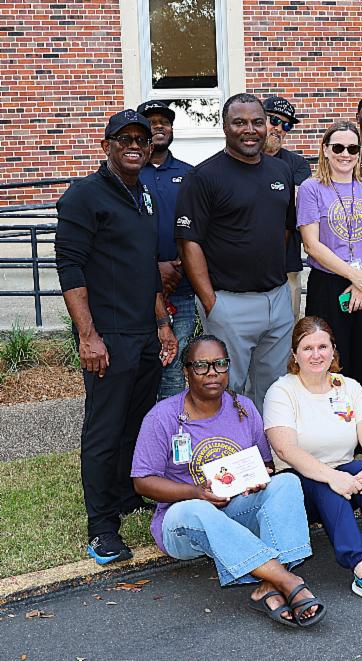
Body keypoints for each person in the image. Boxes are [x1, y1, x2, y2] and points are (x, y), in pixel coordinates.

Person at [130, 335, 325, 628]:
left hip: (235, 511)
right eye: (202, 366)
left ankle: (268, 586)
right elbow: (142, 481)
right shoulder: (163, 417)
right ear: (186, 371)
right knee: (198, 508)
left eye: (220, 364)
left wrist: (257, 479)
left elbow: (266, 464)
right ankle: (288, 579)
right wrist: (196, 492)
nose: (212, 372)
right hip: (183, 523)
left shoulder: (243, 408)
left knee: (287, 483)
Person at [55, 109, 179, 564]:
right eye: (123, 138)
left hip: (144, 332)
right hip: (106, 336)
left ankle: (127, 494)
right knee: (104, 428)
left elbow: (146, 265)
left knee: (136, 419)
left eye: (141, 140)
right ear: (105, 144)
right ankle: (101, 525)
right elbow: (68, 267)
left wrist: (163, 323)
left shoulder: (143, 194)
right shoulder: (84, 195)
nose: (134, 145)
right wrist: (88, 336)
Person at [264, 317, 362, 606]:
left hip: (344, 475)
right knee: (327, 483)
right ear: (294, 354)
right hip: (299, 485)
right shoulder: (282, 391)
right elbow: (286, 450)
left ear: (333, 350)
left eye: (323, 346)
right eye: (308, 348)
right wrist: (331, 476)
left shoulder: (347, 386)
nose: (316, 355)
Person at [175, 93, 296, 414]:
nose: (250, 129)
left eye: (258, 122)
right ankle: (225, 458)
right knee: (227, 391)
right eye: (239, 122)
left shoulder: (280, 172)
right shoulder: (203, 177)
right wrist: (211, 302)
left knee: (273, 391)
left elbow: (285, 228)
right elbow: (189, 243)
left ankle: (268, 460)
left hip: (277, 299)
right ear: (225, 126)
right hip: (228, 304)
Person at [297, 121, 362, 394]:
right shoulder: (311, 188)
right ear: (325, 150)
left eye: (352, 148)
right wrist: (355, 277)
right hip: (329, 284)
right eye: (338, 147)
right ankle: (335, 426)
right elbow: (312, 245)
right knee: (331, 357)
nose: (345, 154)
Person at [136, 100, 195, 400]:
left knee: (172, 366)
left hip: (180, 290)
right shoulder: (128, 173)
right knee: (142, 365)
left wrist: (178, 266)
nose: (158, 126)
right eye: (151, 121)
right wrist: (154, 270)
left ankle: (170, 433)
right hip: (139, 292)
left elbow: (199, 229)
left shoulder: (189, 175)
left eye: (165, 121)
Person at [262, 95, 314, 320]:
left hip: (287, 263)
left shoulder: (297, 164)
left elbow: (298, 206)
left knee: (288, 331)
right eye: (274, 120)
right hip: (244, 265)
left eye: (286, 125)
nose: (279, 129)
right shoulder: (240, 159)